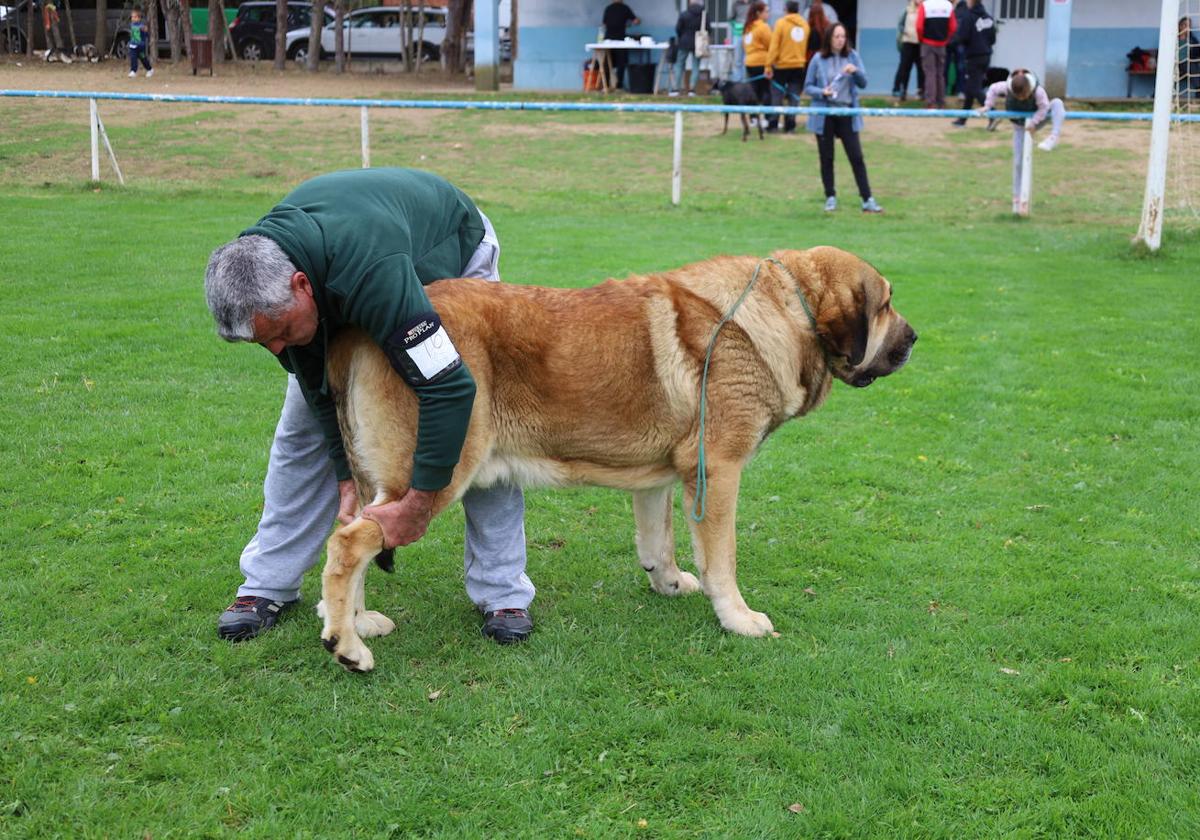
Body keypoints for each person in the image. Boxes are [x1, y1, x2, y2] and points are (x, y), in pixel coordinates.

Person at [204, 168, 535, 646]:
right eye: (263, 342)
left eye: (279, 333)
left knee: (480, 428)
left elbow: (449, 389)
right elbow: (321, 392)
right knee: (299, 430)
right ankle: (266, 585)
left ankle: (503, 592)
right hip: (350, 272)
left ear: (301, 286)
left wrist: (418, 504)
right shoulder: (268, 287)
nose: (278, 351)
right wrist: (346, 474)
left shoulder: (369, 272)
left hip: (449, 251)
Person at [804, 22, 882, 213]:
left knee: (856, 157)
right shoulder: (818, 59)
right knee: (827, 157)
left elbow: (864, 82)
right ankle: (830, 197)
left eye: (843, 36)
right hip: (825, 115)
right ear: (829, 38)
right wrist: (823, 92)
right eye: (836, 36)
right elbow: (808, 87)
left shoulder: (853, 56)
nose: (840, 40)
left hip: (847, 113)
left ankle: (867, 199)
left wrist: (855, 71)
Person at [978, 70, 1064, 206]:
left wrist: (1034, 123)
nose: (1021, 99)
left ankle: (1053, 137)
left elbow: (1043, 108)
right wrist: (988, 105)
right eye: (1018, 96)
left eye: (1024, 95)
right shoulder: (1006, 86)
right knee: (1018, 162)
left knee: (1057, 103)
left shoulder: (1038, 91)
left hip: (1036, 119)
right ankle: (1017, 196)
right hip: (1019, 124)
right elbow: (993, 88)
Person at [764, 0, 810, 132]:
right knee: (794, 97)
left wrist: (768, 65)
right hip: (799, 66)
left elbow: (774, 47)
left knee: (777, 96)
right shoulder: (805, 25)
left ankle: (773, 124)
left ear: (785, 10)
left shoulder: (781, 23)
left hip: (781, 66)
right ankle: (790, 125)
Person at [951, 0, 994, 126]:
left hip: (974, 57)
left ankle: (993, 113)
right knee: (970, 88)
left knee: (974, 88)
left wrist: (950, 43)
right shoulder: (988, 18)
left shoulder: (968, 17)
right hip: (986, 56)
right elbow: (993, 39)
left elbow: (962, 37)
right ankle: (962, 119)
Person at [916, 0, 956, 108]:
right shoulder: (948, 5)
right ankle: (941, 102)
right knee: (940, 74)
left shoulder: (925, 5)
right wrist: (946, 39)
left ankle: (931, 102)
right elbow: (953, 27)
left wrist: (921, 39)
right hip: (942, 45)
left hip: (927, 43)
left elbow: (919, 26)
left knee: (930, 73)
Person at [742, 1, 772, 123]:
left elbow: (745, 45)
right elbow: (771, 44)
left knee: (754, 91)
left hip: (749, 63)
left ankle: (753, 118)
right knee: (766, 91)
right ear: (759, 13)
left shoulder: (748, 27)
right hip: (762, 63)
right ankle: (767, 118)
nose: (768, 14)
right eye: (766, 11)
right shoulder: (763, 27)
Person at [601, 0, 640, 90]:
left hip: (608, 39)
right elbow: (636, 21)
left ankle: (606, 85)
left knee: (607, 62)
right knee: (621, 63)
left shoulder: (608, 8)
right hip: (620, 39)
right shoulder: (625, 8)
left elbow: (604, 24)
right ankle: (619, 85)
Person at [670, 2, 704, 97]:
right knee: (696, 66)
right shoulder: (703, 14)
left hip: (684, 42)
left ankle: (676, 89)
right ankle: (692, 90)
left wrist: (682, 36)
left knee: (679, 65)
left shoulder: (684, 14)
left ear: (689, 3)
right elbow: (708, 28)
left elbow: (678, 29)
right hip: (698, 43)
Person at [892, 0, 924, 101]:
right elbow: (900, 24)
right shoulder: (906, 11)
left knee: (921, 69)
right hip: (908, 43)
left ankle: (920, 91)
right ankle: (903, 91)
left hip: (920, 44)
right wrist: (905, 31)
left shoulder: (925, 10)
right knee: (905, 68)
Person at [127, 6, 153, 78]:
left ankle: (149, 69)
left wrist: (146, 31)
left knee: (143, 58)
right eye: (132, 17)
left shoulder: (142, 26)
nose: (133, 19)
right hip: (133, 45)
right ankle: (133, 71)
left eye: (135, 17)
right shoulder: (132, 25)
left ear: (139, 18)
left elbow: (146, 35)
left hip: (140, 46)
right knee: (133, 58)